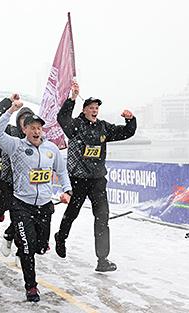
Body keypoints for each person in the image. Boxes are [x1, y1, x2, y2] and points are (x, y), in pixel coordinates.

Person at [0, 98, 72, 302]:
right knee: (28, 248)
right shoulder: (16, 146)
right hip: (22, 205)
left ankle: (19, 242)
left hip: (45, 206)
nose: (36, 131)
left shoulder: (51, 149)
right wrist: (10, 109)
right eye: (32, 128)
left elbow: (61, 172)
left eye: (39, 128)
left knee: (39, 247)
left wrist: (67, 191)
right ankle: (31, 287)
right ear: (25, 129)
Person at [53, 81, 137, 272]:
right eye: (91, 107)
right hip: (78, 178)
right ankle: (61, 237)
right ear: (84, 110)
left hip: (98, 179)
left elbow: (125, 133)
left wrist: (130, 120)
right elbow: (62, 117)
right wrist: (72, 98)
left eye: (97, 108)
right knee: (72, 213)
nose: (94, 110)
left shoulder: (103, 128)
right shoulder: (75, 126)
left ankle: (102, 259)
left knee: (102, 217)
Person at [0, 94, 35, 256]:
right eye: (23, 118)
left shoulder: (36, 137)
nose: (26, 122)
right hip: (9, 182)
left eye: (29, 119)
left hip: (28, 184)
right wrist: (8, 102)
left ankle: (19, 247)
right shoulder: (10, 131)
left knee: (27, 218)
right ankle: (14, 241)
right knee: (19, 216)